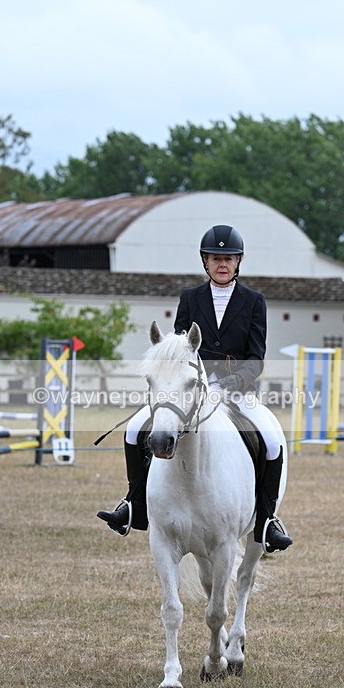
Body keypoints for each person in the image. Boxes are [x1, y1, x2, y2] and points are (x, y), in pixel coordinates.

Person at [97, 225, 293, 553]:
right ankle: (133, 505)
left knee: (271, 441)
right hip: (188, 389)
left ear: (238, 262)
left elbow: (256, 358)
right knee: (134, 430)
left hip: (236, 390)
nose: (222, 264)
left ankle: (267, 520)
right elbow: (177, 348)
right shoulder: (190, 298)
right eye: (216, 258)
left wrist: (234, 382)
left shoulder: (254, 301)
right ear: (205, 261)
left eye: (228, 259)